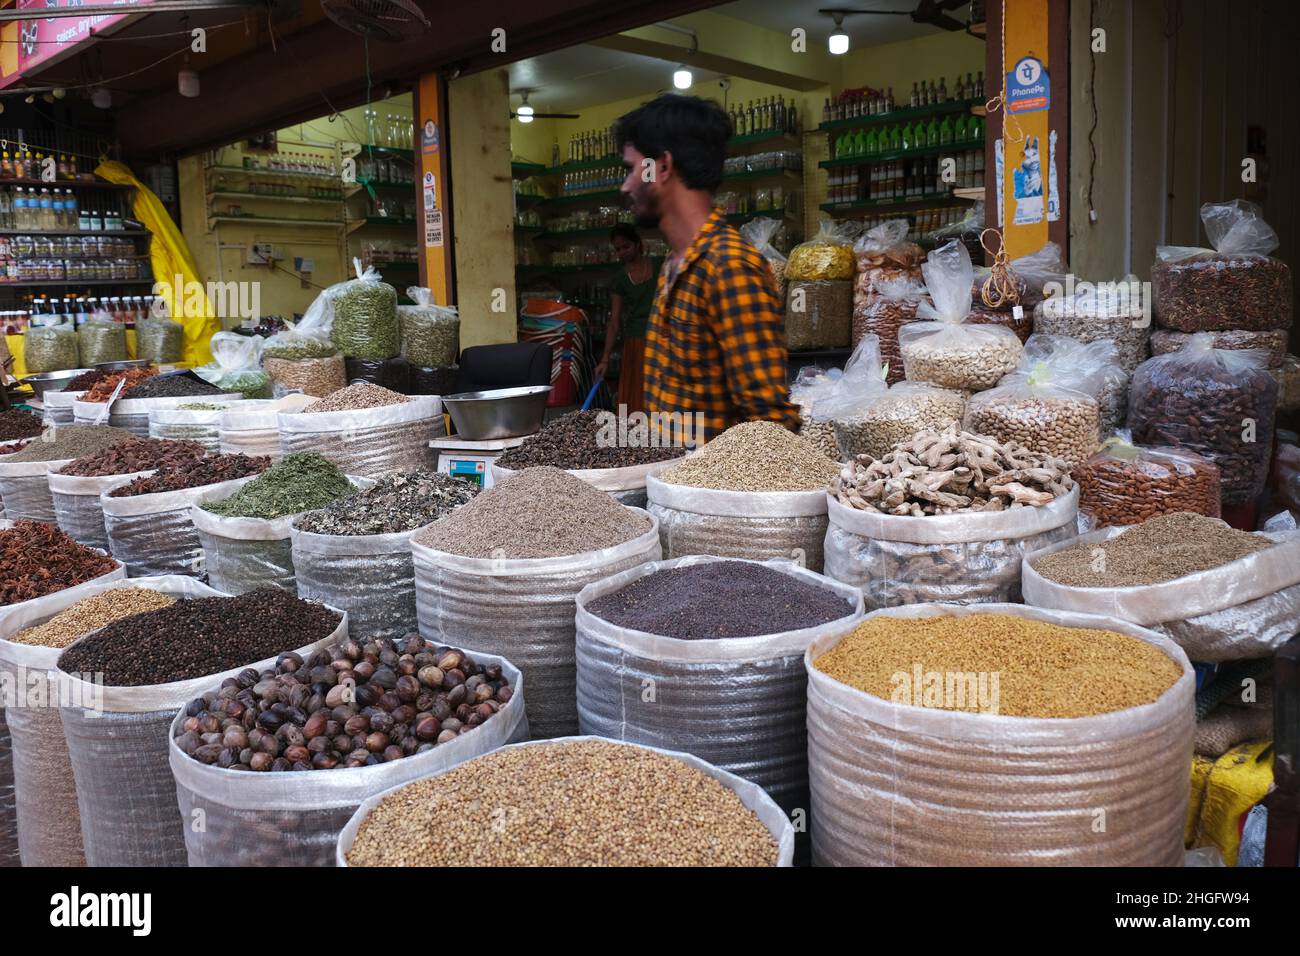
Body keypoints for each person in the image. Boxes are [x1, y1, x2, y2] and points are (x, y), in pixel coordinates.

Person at [614, 93, 797, 444]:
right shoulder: (674, 264)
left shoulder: (728, 265)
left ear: (662, 167)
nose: (625, 186)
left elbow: (770, 427)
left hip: (714, 494)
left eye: (631, 169)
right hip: (673, 484)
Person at [594, 224, 655, 414]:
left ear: (638, 244)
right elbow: (614, 322)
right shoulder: (620, 280)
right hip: (636, 341)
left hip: (662, 337)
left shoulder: (660, 265)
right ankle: (638, 439)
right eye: (618, 249)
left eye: (626, 246)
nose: (622, 253)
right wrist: (604, 359)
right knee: (636, 395)